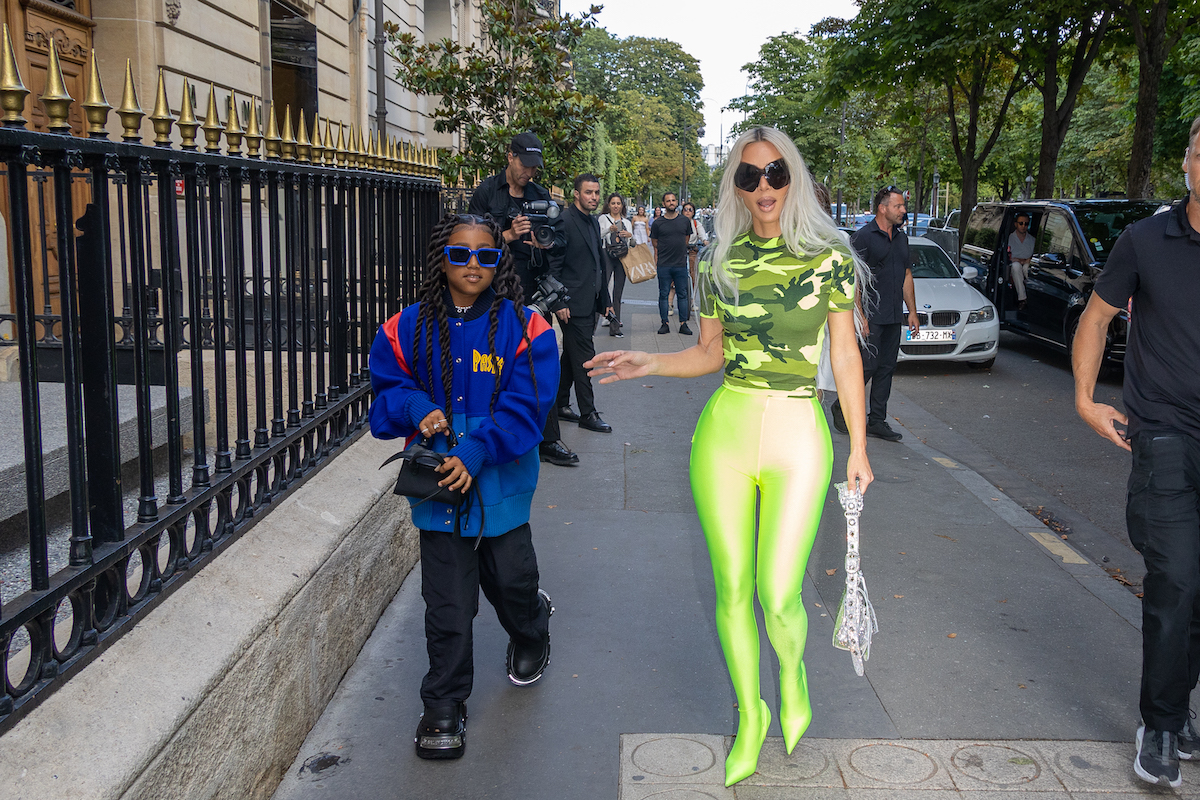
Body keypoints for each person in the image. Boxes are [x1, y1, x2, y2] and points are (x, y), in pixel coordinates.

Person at [586, 126, 874, 787]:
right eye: (749, 177)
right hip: (726, 430)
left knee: (779, 596)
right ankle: (752, 713)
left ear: (792, 179)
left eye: (775, 173)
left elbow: (847, 356)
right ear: (736, 187)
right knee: (732, 589)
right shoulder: (720, 259)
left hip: (800, 430)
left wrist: (857, 444)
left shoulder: (827, 258)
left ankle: (793, 676)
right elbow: (710, 354)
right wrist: (648, 363)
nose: (764, 186)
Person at [369, 213, 559, 761]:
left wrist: (478, 449)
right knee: (448, 603)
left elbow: (530, 407)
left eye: (485, 255)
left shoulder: (527, 328)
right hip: (439, 492)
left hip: (500, 485)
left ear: (499, 262)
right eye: (460, 254)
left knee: (512, 583)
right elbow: (386, 391)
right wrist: (415, 405)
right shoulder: (403, 327)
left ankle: (532, 630)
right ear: (440, 260)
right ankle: (444, 704)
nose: (472, 265)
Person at [1073, 116, 1200, 789]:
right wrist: (1087, 399)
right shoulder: (1146, 239)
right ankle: (1160, 721)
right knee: (1176, 577)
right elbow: (1095, 319)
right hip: (1165, 434)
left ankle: (1175, 701)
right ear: (1187, 162)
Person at [467, 131, 575, 467]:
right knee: (492, 361)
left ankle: (548, 438)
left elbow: (559, 239)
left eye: (534, 167)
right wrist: (509, 234)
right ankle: (491, 432)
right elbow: (470, 241)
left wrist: (545, 244)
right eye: (525, 165)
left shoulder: (541, 195)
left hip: (531, 290)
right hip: (492, 290)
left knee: (538, 362)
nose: (529, 172)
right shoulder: (486, 192)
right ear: (510, 157)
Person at [830, 186, 920, 442]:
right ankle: (841, 405)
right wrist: (860, 316)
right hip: (870, 314)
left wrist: (911, 311)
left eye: (903, 206)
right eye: (898, 206)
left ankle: (877, 421)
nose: (903, 210)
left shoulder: (902, 238)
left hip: (893, 314)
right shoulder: (863, 237)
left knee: (887, 367)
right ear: (883, 208)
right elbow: (854, 279)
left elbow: (906, 275)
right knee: (867, 365)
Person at [553, 174, 614, 434]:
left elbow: (596, 264)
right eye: (589, 192)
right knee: (585, 359)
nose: (594, 197)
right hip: (571, 304)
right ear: (576, 194)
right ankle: (588, 413)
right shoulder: (564, 222)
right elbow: (554, 265)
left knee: (571, 356)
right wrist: (559, 301)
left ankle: (559, 405)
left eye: (597, 193)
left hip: (589, 301)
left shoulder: (591, 221)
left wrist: (605, 301)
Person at [651, 192, 694, 335]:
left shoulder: (684, 221)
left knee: (682, 294)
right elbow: (655, 243)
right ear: (663, 204)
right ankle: (664, 323)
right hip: (664, 264)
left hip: (680, 264)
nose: (671, 203)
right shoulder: (658, 223)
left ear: (677, 202)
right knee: (663, 294)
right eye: (668, 201)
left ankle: (683, 324)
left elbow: (686, 239)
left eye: (673, 200)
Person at [599, 193, 633, 338]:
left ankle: (615, 327)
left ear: (622, 205)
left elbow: (632, 244)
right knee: (601, 289)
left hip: (622, 257)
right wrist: (609, 230)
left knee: (617, 293)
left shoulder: (627, 221)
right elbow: (598, 236)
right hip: (606, 255)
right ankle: (592, 326)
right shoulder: (603, 218)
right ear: (609, 205)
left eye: (618, 203)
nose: (616, 206)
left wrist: (629, 236)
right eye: (613, 203)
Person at [1007, 212, 1034, 310]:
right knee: (1016, 267)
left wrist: (1028, 260)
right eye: (1021, 223)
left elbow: (1034, 255)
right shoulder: (1009, 238)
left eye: (1026, 224)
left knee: (1028, 269)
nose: (1023, 226)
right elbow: (1007, 255)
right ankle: (1022, 299)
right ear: (1016, 224)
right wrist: (1017, 260)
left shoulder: (1032, 240)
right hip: (1014, 264)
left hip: (1027, 263)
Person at [683, 201, 709, 291]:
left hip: (692, 250)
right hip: (678, 251)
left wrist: (705, 241)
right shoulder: (678, 222)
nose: (688, 211)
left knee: (693, 273)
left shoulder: (696, 223)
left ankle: (692, 299)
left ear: (693, 212)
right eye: (685, 209)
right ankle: (671, 300)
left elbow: (702, 234)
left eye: (690, 210)